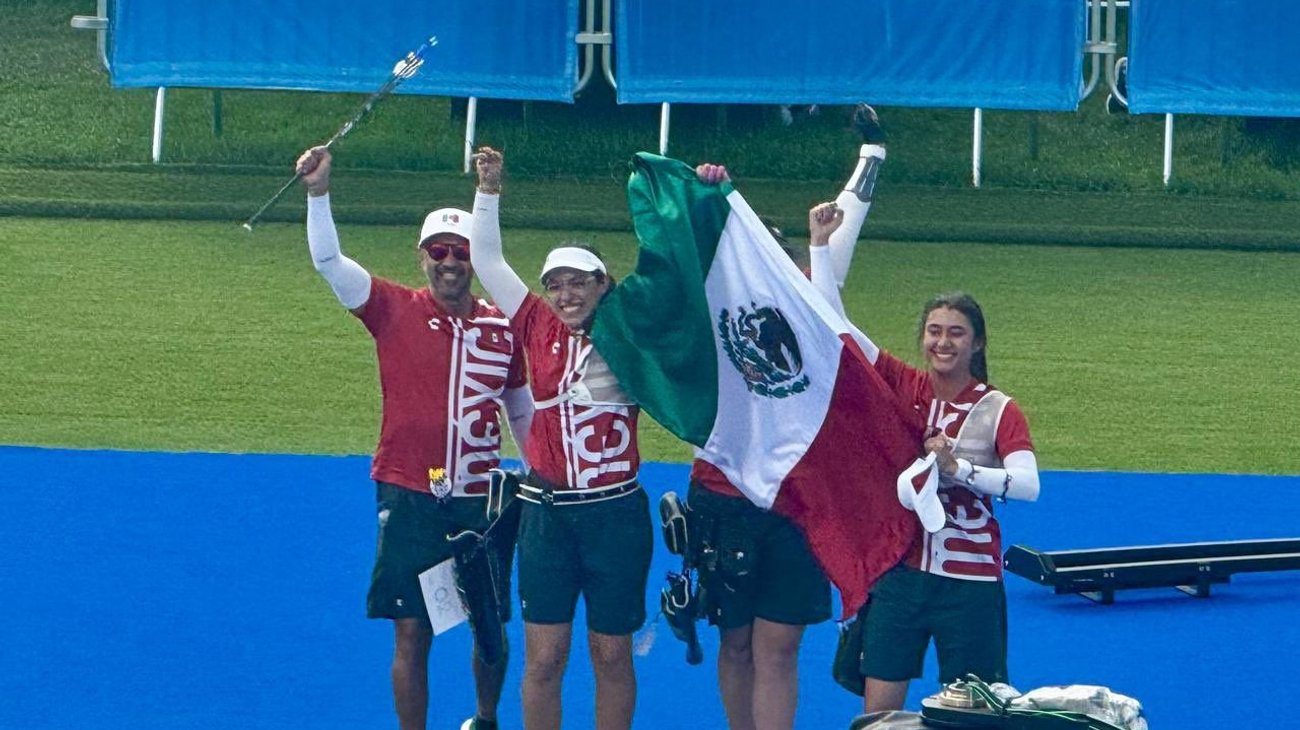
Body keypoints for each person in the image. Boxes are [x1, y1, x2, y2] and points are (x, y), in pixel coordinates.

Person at [296, 146, 534, 730]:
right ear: (422, 256)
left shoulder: (504, 329)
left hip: (483, 496)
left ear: (476, 259)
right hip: (408, 489)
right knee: (412, 626)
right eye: (439, 251)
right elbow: (329, 260)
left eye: (461, 251)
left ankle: (484, 718)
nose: (451, 261)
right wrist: (318, 193)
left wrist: (541, 476)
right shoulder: (392, 307)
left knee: (489, 621)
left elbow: (523, 413)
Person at [805, 196, 1041, 713]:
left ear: (976, 343)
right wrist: (820, 248)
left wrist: (961, 469)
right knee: (879, 710)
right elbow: (837, 328)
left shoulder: (999, 408)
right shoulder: (902, 383)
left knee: (973, 712)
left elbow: (1028, 485)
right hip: (902, 569)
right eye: (934, 331)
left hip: (971, 578)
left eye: (956, 333)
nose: (943, 342)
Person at [465, 146, 653, 730]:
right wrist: (489, 188)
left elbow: (680, 284)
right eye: (556, 285)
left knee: (612, 654)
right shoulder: (535, 323)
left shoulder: (633, 327)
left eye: (579, 283)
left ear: (604, 285)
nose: (567, 294)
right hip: (547, 514)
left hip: (616, 515)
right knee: (545, 656)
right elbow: (486, 256)